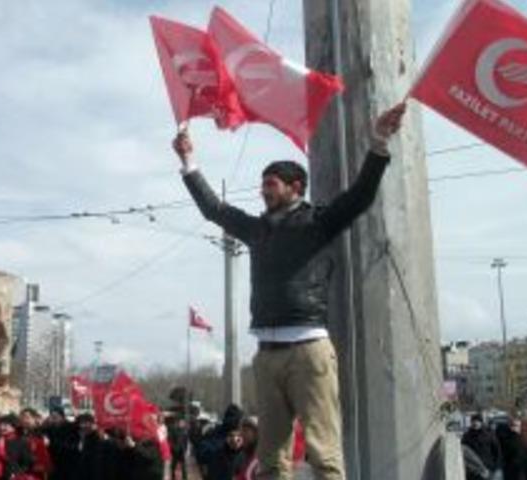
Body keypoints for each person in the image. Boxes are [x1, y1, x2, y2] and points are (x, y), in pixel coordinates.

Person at [173, 103, 407, 480]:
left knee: (323, 452)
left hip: (308, 351)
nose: (264, 192)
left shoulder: (318, 223)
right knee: (270, 458)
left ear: (295, 187)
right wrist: (189, 160)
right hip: (266, 355)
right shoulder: (256, 229)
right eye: (263, 185)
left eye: (271, 185)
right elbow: (214, 210)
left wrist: (379, 141)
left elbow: (362, 195)